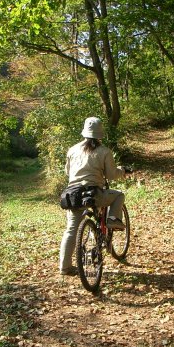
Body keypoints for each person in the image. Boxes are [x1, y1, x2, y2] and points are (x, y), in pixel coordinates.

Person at [59, 117, 127, 276]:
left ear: (84, 132)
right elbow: (111, 175)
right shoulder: (104, 151)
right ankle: (112, 220)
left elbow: (68, 172)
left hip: (73, 195)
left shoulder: (72, 149)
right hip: (94, 194)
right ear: (99, 134)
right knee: (119, 195)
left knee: (71, 230)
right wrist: (122, 171)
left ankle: (64, 267)